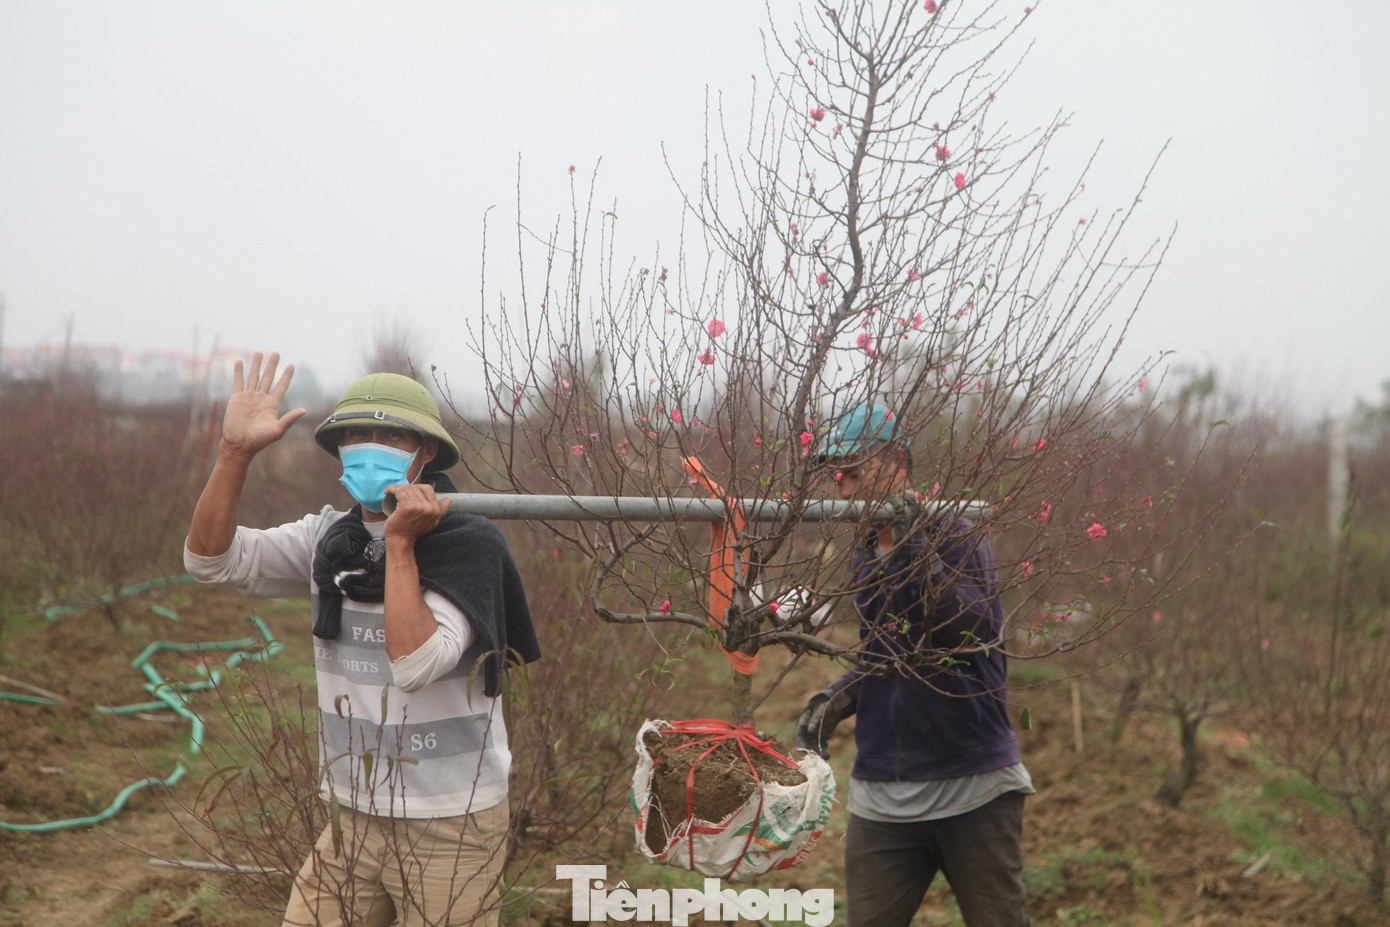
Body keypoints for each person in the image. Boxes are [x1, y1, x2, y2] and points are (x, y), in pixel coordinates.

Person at [185, 352, 540, 927]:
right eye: (357, 435)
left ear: (424, 451)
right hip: (352, 816)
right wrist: (234, 455)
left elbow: (417, 663)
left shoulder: (469, 545)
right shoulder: (330, 540)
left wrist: (400, 545)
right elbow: (210, 562)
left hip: (450, 822)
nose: (370, 446)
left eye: (390, 435)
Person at [794, 403, 1033, 927]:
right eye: (838, 479)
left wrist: (912, 546)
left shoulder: (959, 537)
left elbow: (969, 631)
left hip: (972, 788)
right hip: (883, 798)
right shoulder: (864, 553)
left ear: (897, 463)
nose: (844, 491)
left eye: (854, 474)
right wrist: (841, 695)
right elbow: (885, 653)